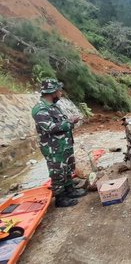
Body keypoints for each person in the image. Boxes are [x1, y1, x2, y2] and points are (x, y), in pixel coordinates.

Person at [32, 78, 86, 208]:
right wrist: (69, 122)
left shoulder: (54, 107)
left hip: (63, 145)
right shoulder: (40, 109)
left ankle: (70, 190)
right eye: (59, 90)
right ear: (52, 92)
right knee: (57, 172)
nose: (61, 93)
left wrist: (69, 121)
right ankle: (60, 198)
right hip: (53, 148)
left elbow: (60, 123)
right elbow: (50, 127)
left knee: (66, 168)